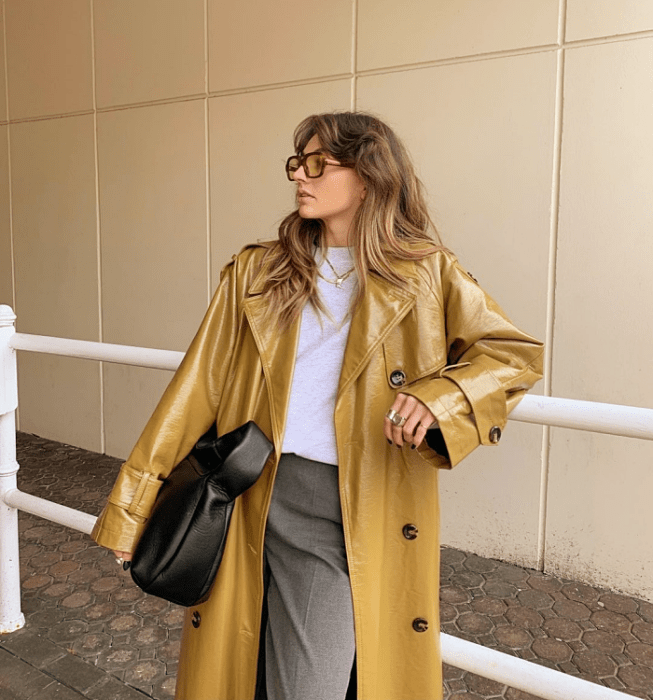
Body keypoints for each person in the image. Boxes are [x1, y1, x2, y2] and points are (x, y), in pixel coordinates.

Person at [91, 111, 544, 700]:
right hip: (240, 488)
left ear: (369, 175)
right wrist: (134, 506)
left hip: (337, 504)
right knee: (236, 675)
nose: (299, 178)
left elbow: (512, 355)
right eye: (295, 164)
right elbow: (195, 388)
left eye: (317, 164)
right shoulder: (258, 269)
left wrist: (443, 396)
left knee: (307, 686)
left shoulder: (425, 272)